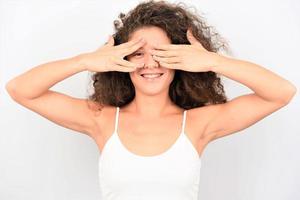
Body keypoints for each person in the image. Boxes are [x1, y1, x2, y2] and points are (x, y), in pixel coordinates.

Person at [5, 0, 297, 199]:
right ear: (122, 60)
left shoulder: (197, 123)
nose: (149, 64)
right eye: (138, 53)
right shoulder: (103, 120)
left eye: (161, 53)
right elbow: (20, 89)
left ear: (179, 59)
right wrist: (85, 61)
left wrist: (211, 61)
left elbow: (281, 92)